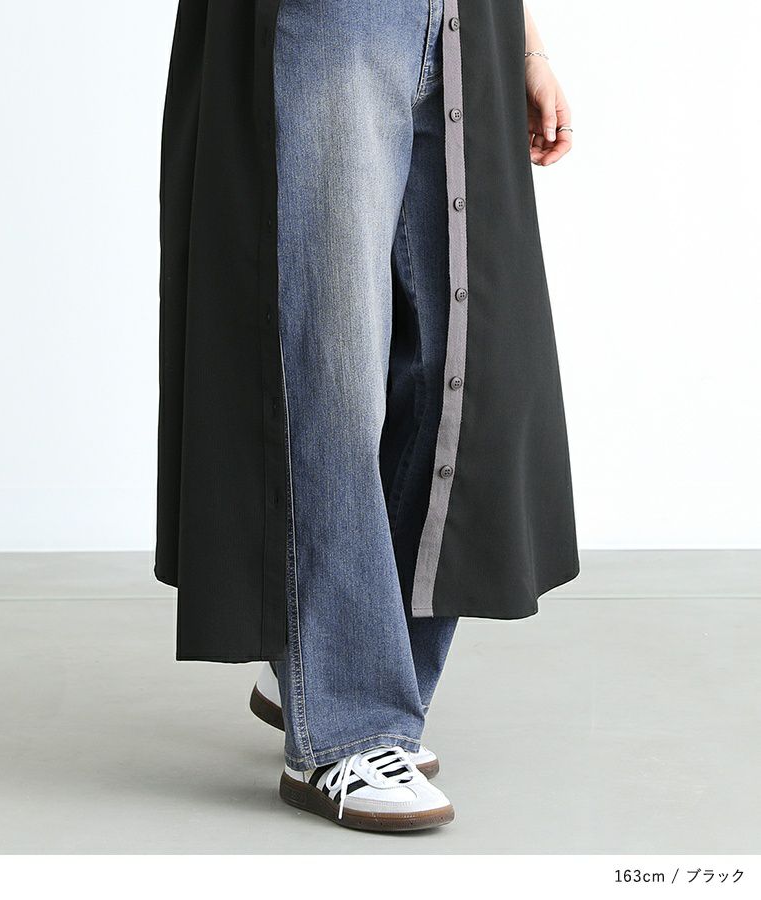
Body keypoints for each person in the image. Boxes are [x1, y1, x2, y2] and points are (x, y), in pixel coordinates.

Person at [156, 0, 578, 833]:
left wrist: (528, 44)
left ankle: (329, 669)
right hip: (327, 23)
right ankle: (347, 722)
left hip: (466, 27)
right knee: (324, 371)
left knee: (458, 369)